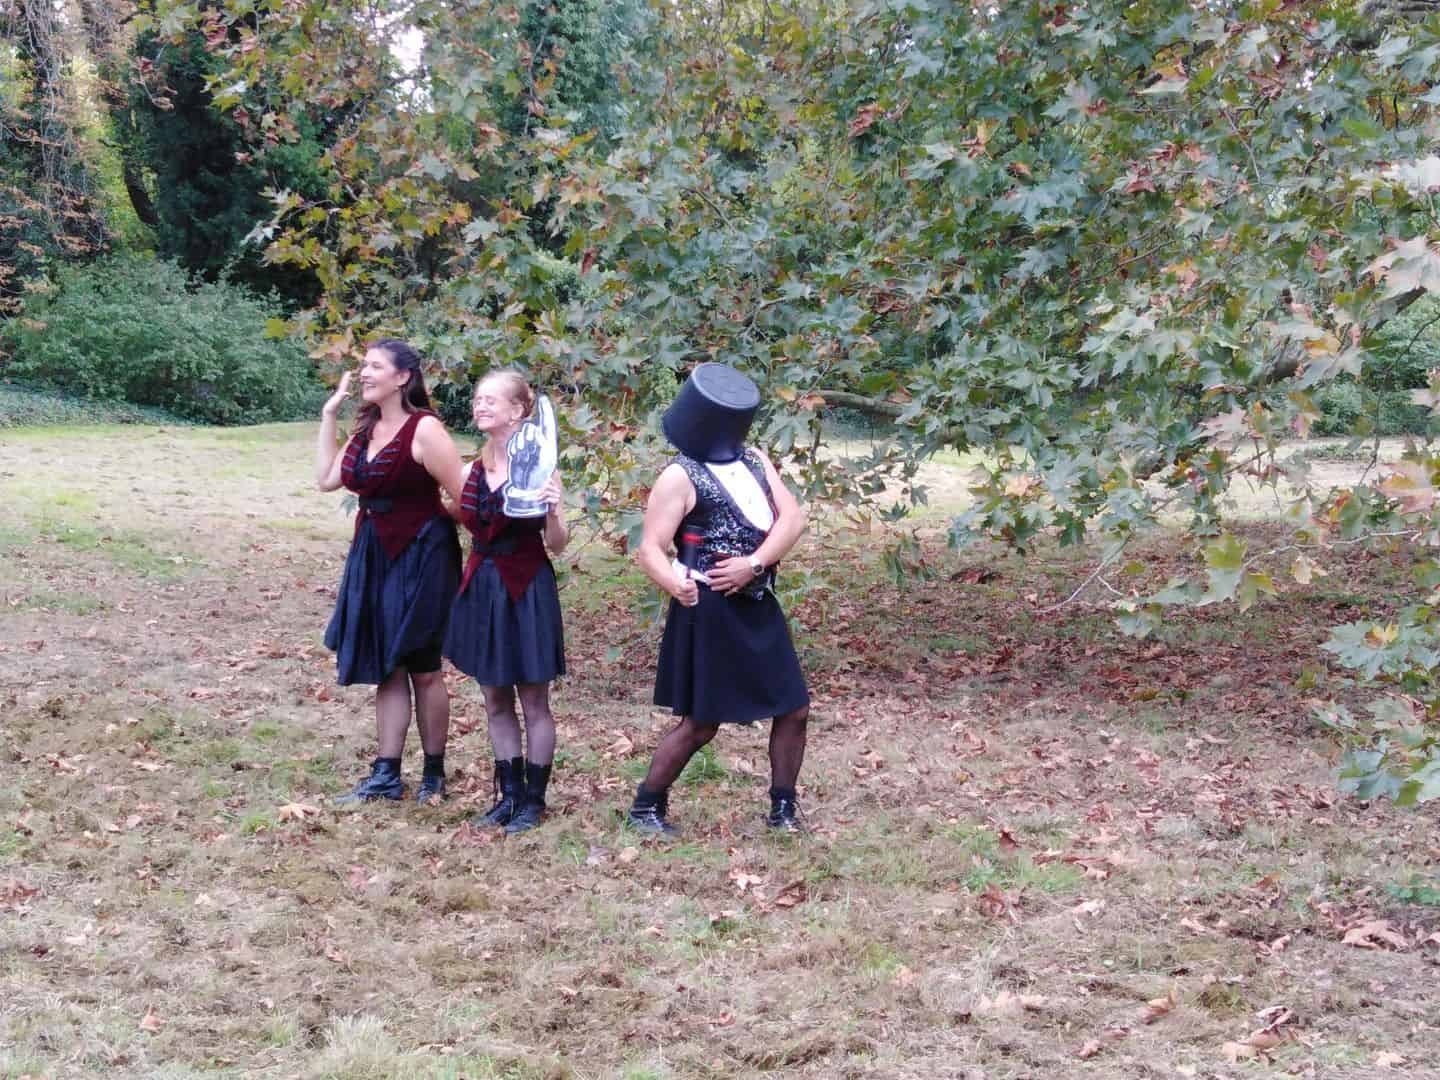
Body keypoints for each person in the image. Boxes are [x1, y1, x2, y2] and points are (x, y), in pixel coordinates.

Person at [628, 363, 811, 836]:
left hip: (757, 602)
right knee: (702, 723)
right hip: (708, 612)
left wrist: (755, 563)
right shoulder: (679, 475)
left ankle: (783, 809)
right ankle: (646, 806)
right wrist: (676, 583)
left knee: (793, 707)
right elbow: (650, 548)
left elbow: (791, 520)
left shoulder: (754, 460)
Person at [316, 339, 465, 805]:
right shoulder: (365, 430)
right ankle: (386, 774)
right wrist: (328, 418)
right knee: (388, 666)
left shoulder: (425, 430)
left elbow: (465, 496)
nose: (363, 373)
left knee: (422, 666)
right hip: (374, 554)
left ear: (403, 377)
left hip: (423, 556)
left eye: (374, 366)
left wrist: (428, 527)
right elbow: (326, 480)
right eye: (363, 365)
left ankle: (434, 774)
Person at [444, 371, 568, 834]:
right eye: (477, 400)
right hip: (483, 585)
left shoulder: (541, 464)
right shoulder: (473, 466)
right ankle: (508, 794)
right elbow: (462, 515)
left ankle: (534, 802)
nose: (480, 406)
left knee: (533, 698)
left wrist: (555, 510)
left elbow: (557, 544)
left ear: (517, 410)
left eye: (490, 400)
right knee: (494, 696)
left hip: (527, 584)